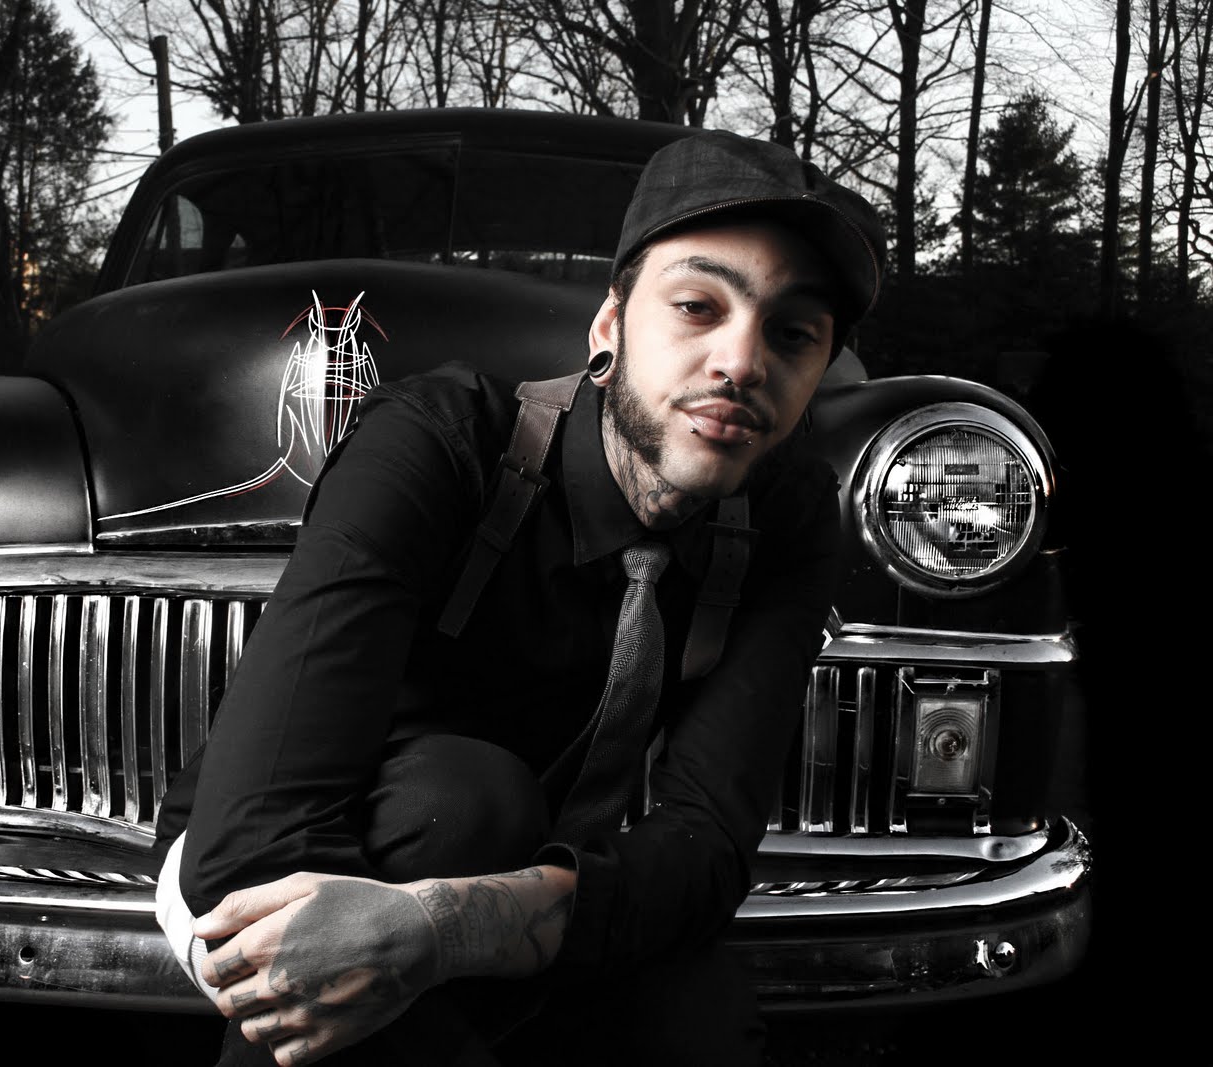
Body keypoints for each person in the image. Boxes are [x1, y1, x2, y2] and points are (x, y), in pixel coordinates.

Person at [150, 128, 885, 1066]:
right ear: (610, 327)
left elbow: (706, 845)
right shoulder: (438, 439)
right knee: (464, 800)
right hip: (322, 850)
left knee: (706, 1023)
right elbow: (250, 847)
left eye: (793, 333)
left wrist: (452, 929)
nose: (742, 361)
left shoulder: (789, 516)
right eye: (697, 305)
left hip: (530, 883)